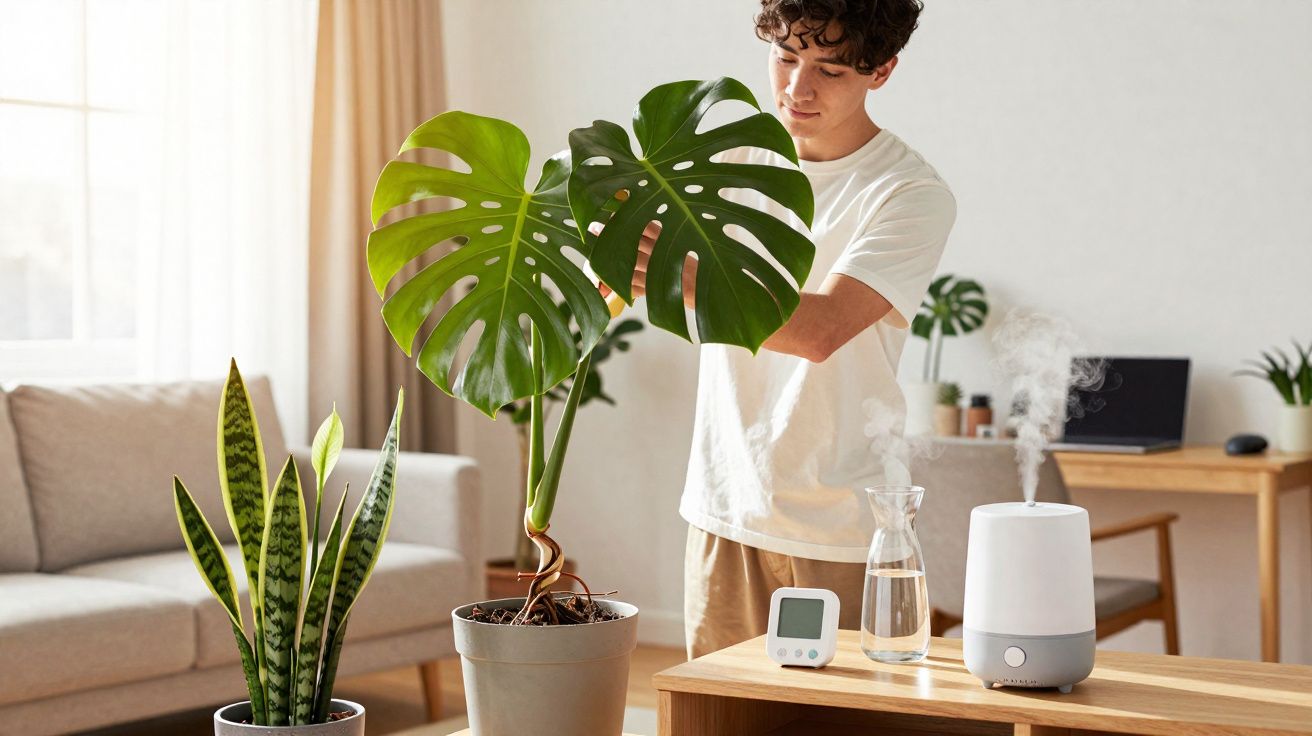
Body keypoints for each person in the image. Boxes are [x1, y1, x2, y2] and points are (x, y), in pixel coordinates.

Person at [610, 0, 953, 658]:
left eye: (829, 70)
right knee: (717, 716)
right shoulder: (722, 164)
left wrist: (687, 275)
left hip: (841, 524)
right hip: (725, 503)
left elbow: (820, 330)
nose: (798, 88)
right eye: (786, 58)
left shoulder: (907, 193)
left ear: (880, 71)